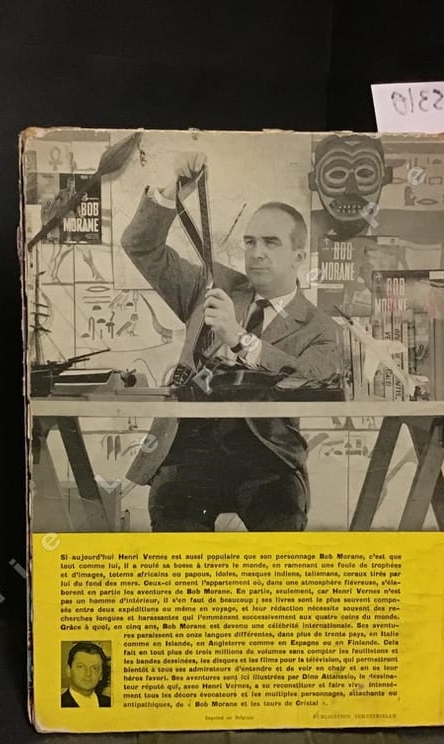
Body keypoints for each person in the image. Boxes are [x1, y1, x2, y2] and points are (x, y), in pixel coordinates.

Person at [120, 152, 340, 532]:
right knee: (176, 531)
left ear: (299, 256)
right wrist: (176, 191)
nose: (256, 253)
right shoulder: (210, 285)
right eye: (250, 241)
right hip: (189, 453)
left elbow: (315, 381)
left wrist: (241, 340)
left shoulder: (318, 326)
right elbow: (140, 246)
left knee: (281, 530)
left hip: (267, 458)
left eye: (271, 242)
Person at [61, 641, 111, 708]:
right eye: (81, 667)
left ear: (101, 675)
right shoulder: (58, 704)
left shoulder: (109, 703)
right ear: (68, 671)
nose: (88, 674)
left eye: (94, 668)